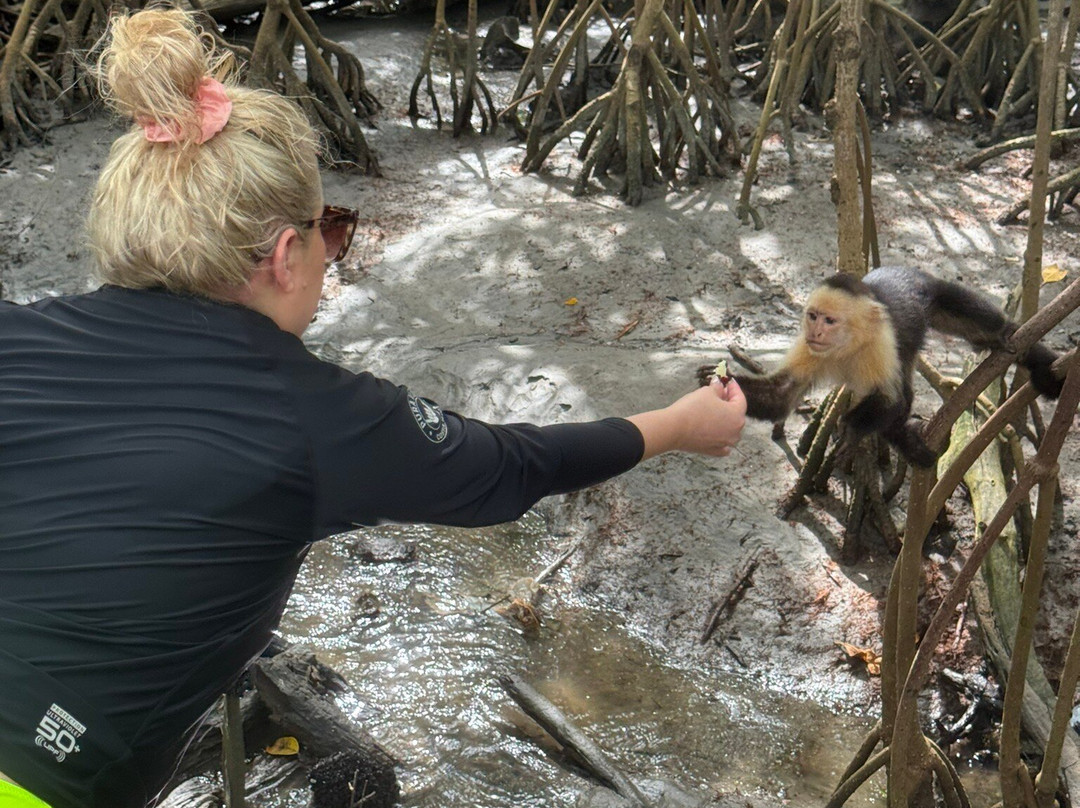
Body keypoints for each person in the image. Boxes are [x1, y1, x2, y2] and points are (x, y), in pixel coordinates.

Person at [0, 9, 746, 808]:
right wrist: (679, 426)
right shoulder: (317, 417)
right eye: (334, 229)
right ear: (288, 256)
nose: (334, 250)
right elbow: (515, 467)